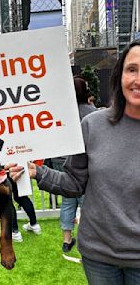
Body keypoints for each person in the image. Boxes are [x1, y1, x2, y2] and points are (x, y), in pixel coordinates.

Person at [9, 39, 140, 285]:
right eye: (132, 69)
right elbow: (73, 183)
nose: (138, 79)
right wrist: (36, 171)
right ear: (119, 76)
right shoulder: (93, 126)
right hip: (99, 256)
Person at [49, 76, 97, 258]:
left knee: (68, 200)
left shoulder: (59, 111)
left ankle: (66, 240)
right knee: (87, 201)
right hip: (84, 161)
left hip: (59, 159)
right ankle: (89, 240)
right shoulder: (91, 112)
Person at [9, 176, 41, 242]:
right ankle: (34, 224)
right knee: (21, 197)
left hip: (3, 170)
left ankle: (15, 232)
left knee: (7, 201)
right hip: (18, 168)